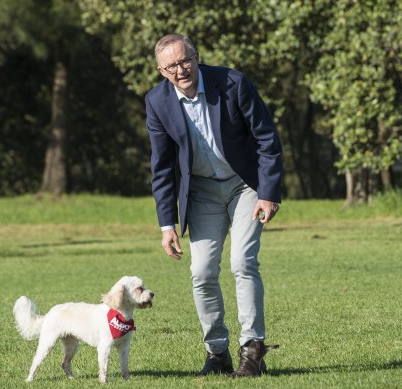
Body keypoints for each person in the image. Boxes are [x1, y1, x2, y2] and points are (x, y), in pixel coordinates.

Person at [145, 33, 283, 377]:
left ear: (196, 56)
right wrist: (167, 225)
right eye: (171, 66)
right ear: (161, 72)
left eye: (185, 60)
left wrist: (268, 192)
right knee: (202, 272)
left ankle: (253, 350)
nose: (181, 70)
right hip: (202, 193)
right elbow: (162, 167)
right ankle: (217, 353)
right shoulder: (157, 102)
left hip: (245, 186)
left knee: (242, 262)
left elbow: (267, 138)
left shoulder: (233, 83)